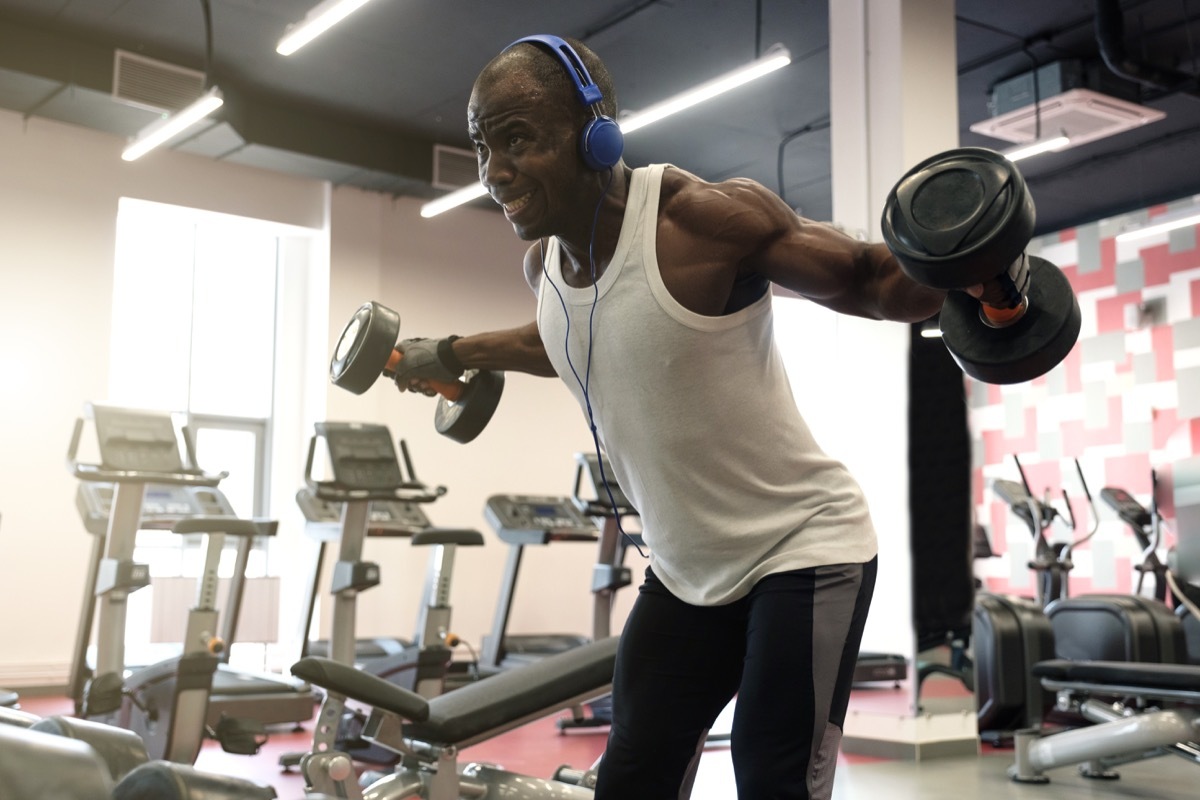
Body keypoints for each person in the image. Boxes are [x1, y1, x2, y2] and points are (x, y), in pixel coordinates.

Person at [393, 35, 952, 800]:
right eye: (484, 147)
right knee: (630, 779)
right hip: (688, 575)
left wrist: (967, 267)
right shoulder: (546, 270)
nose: (496, 172)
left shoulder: (700, 222)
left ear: (598, 130)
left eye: (519, 140)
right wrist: (455, 350)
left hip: (803, 549)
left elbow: (871, 281)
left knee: (772, 776)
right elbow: (565, 339)